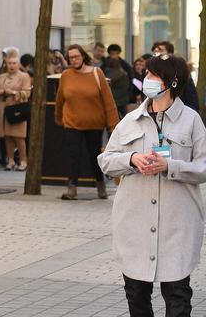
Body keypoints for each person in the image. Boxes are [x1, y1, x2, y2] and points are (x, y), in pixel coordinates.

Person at [98, 54, 206, 317]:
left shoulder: (191, 120)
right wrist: (132, 159)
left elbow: (203, 166)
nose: (147, 80)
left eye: (153, 76)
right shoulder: (130, 120)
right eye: (146, 75)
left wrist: (171, 166)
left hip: (176, 224)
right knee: (136, 296)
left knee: (178, 296)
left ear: (172, 82)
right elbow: (106, 160)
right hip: (135, 223)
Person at [55, 44, 119, 201]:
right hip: (72, 123)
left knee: (95, 156)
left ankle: (100, 186)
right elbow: (60, 99)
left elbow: (108, 102)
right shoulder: (66, 75)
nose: (74, 60)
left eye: (76, 56)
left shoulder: (97, 73)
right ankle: (72, 189)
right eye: (71, 57)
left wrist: (113, 126)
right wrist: (58, 118)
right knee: (73, 155)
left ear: (83, 56)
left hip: (94, 124)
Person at [0, 49, 31, 171]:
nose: (12, 66)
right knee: (7, 136)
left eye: (14, 63)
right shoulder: (1, 77)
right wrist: (0, 92)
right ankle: (10, 160)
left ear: (18, 64)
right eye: (9, 63)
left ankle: (23, 160)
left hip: (17, 108)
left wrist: (14, 93)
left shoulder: (24, 76)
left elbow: (27, 93)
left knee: (19, 136)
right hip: (3, 108)